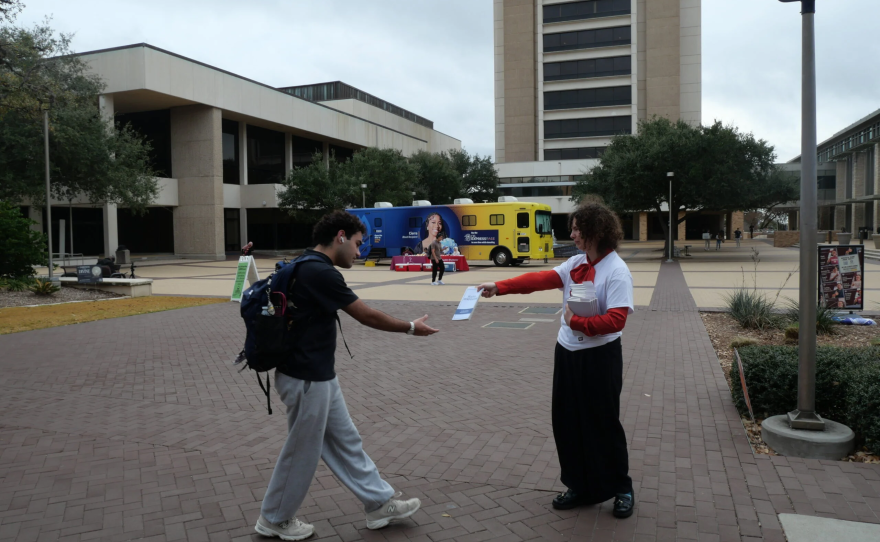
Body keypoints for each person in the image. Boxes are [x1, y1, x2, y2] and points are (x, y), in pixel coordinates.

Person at [255, 211, 439, 540]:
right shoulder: (320, 273)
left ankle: (379, 503)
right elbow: (365, 314)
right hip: (306, 377)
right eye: (357, 244)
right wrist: (411, 328)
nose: (359, 252)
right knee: (303, 450)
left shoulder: (304, 263)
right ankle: (274, 518)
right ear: (340, 236)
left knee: (346, 441)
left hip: (316, 375)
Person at [475, 201, 636, 519]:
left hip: (600, 357)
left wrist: (575, 322)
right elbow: (541, 279)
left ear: (595, 231)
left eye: (577, 228)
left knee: (602, 424)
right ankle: (580, 486)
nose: (572, 233)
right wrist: (500, 286)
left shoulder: (616, 271)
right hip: (568, 353)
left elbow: (616, 321)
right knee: (567, 422)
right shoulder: (576, 263)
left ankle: (622, 489)